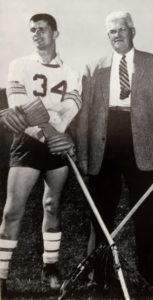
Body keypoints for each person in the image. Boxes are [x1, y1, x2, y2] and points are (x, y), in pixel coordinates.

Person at [76, 11, 153, 291]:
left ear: (132, 31)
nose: (116, 35)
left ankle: (149, 279)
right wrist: (84, 154)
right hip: (104, 146)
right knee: (101, 215)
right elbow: (84, 116)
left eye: (121, 30)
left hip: (141, 146)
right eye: (111, 32)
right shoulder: (94, 67)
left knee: (144, 213)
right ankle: (100, 279)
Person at [0, 13, 81, 297]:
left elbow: (70, 109)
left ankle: (51, 267)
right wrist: (47, 130)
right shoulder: (19, 65)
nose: (37, 34)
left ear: (55, 33)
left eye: (43, 29)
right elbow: (19, 108)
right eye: (32, 30)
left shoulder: (72, 73)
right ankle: (2, 277)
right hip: (29, 144)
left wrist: (53, 130)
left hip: (56, 144)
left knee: (52, 206)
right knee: (12, 210)